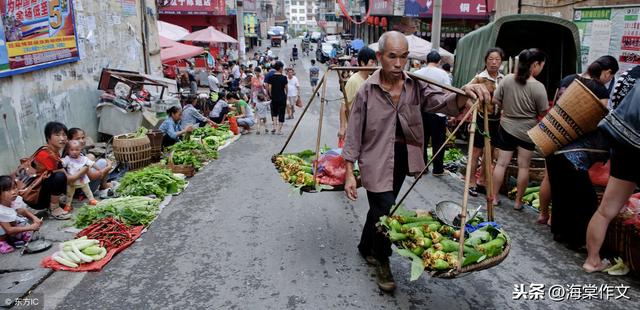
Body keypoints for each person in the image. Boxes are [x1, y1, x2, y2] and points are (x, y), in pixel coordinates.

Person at [342, 31, 490, 292]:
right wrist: (349, 172)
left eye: (403, 57)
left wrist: (464, 94)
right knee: (385, 210)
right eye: (392, 57)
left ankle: (365, 246)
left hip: (402, 157)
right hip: (375, 158)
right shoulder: (367, 90)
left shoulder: (415, 85)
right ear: (380, 56)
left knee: (382, 208)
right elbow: (354, 133)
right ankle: (382, 260)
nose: (398, 64)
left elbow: (442, 102)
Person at [543, 55, 619, 249]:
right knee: (584, 197)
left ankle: (559, 232)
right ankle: (575, 238)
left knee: (560, 190)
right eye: (611, 76)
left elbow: (553, 108)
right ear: (607, 72)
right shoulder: (599, 89)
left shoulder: (568, 79)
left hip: (552, 143)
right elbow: (598, 121)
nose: (609, 81)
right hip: (574, 151)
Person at [583, 68, 640, 273]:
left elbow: (616, 105)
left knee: (606, 209)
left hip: (625, 144)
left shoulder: (628, 75)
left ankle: (592, 260)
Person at [490, 48, 549, 210]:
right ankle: (517, 203)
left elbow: (495, 100)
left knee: (501, 164)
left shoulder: (507, 79)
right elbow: (543, 112)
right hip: (527, 131)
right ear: (535, 64)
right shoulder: (538, 87)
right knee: (524, 167)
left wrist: (507, 108)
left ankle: (494, 197)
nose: (541, 68)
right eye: (541, 65)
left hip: (506, 126)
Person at [467, 47, 505, 197]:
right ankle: (471, 182)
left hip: (496, 120)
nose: (494, 63)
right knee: (476, 151)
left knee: (489, 152)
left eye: (497, 59)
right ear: (486, 61)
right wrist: (475, 111)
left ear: (501, 62)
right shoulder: (479, 78)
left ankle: (482, 181)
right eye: (491, 59)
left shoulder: (503, 79)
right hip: (482, 119)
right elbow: (466, 96)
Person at [32, 122, 82, 220]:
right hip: (35, 198)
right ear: (48, 137)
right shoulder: (45, 155)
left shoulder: (54, 152)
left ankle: (53, 203)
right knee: (60, 176)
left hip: (41, 193)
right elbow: (66, 178)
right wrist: (85, 168)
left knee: (61, 174)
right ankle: (54, 208)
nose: (62, 138)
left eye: (64, 135)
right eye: (57, 135)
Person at [414, 51, 451, 176]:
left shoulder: (417, 73)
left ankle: (422, 167)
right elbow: (447, 92)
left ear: (426, 60)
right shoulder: (443, 74)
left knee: (422, 140)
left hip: (421, 111)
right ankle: (438, 169)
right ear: (439, 62)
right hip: (438, 111)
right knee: (438, 141)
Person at [339, 47, 377, 143]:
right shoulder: (353, 80)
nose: (375, 65)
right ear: (363, 63)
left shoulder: (371, 79)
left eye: (375, 62)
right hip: (354, 127)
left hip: (366, 128)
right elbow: (343, 106)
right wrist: (343, 128)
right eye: (372, 62)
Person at [66, 128, 115, 199]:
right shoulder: (73, 156)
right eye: (78, 139)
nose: (81, 141)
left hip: (75, 187)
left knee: (91, 157)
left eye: (83, 138)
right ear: (69, 140)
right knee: (103, 162)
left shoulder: (72, 151)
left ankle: (103, 185)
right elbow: (92, 177)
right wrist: (108, 167)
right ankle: (103, 186)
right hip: (82, 190)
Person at [0, 176, 43, 253]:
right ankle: (2, 242)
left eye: (14, 188)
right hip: (5, 229)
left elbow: (23, 211)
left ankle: (18, 236)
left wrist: (34, 218)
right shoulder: (1, 210)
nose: (13, 192)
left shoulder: (13, 201)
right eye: (7, 190)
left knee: (21, 219)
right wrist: (30, 228)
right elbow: (9, 230)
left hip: (9, 225)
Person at [62, 140, 98, 211]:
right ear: (68, 150)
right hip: (72, 181)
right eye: (72, 150)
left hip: (83, 179)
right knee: (69, 194)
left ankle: (92, 199)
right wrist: (59, 161)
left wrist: (98, 169)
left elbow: (91, 163)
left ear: (80, 150)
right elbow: (62, 163)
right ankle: (68, 205)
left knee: (88, 191)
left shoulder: (83, 158)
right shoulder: (67, 159)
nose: (74, 152)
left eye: (77, 150)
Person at [265, 61, 288, 135]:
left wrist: (271, 95)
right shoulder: (284, 78)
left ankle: (274, 127)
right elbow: (286, 88)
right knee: (282, 113)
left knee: (274, 113)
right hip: (282, 97)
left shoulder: (271, 77)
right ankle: (279, 130)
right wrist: (286, 95)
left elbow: (269, 88)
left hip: (274, 97)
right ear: (281, 68)